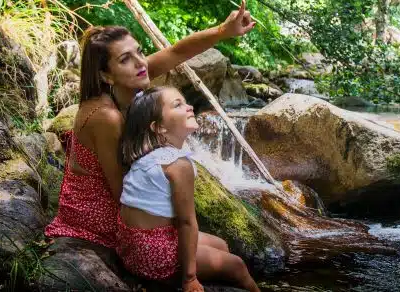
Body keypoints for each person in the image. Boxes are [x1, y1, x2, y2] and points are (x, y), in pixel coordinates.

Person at [44, 0, 256, 251]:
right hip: (96, 218)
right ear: (105, 75)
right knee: (220, 250)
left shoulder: (131, 77)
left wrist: (223, 30)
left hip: (130, 205)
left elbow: (177, 52)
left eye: (140, 52)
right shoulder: (105, 117)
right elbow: (121, 191)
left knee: (221, 246)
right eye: (125, 59)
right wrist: (169, 224)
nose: (140, 62)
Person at [117, 87, 259, 292]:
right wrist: (189, 279)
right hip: (153, 254)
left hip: (131, 248)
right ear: (160, 128)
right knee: (236, 265)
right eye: (178, 105)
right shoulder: (178, 165)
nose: (190, 107)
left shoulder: (151, 156)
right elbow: (185, 222)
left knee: (220, 245)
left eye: (185, 102)